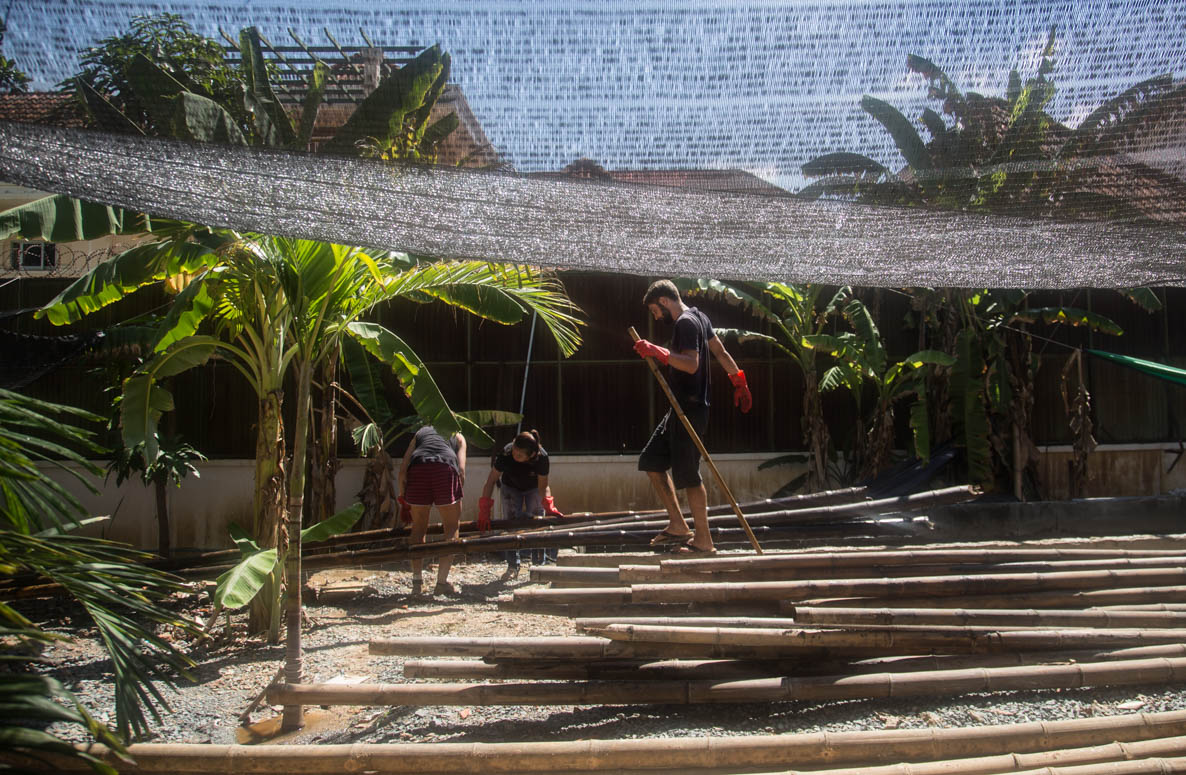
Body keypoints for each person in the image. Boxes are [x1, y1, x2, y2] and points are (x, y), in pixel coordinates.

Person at [633, 279, 752, 555]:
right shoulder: (700, 317)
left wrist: (657, 351)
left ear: (664, 301)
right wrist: (739, 380)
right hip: (679, 409)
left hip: (691, 408)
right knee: (651, 461)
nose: (655, 316)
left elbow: (690, 364)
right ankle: (677, 525)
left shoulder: (685, 323)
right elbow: (720, 352)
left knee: (689, 475)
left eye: (654, 310)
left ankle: (704, 541)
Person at [477, 429, 563, 579]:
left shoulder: (542, 458)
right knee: (510, 524)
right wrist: (485, 508)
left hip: (533, 488)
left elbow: (543, 486)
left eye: (519, 454)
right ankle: (512, 566)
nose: (514, 454)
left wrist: (548, 504)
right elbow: (491, 481)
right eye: (514, 449)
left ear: (531, 455)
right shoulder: (506, 453)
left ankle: (538, 566)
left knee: (538, 523)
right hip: (510, 487)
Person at [397, 424, 466, 596]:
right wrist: (457, 495)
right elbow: (462, 470)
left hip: (418, 467)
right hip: (445, 467)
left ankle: (417, 581)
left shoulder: (420, 432)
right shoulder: (458, 436)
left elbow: (403, 469)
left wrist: (403, 495)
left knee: (418, 527)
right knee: (451, 527)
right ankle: (441, 583)